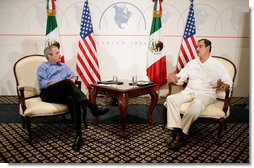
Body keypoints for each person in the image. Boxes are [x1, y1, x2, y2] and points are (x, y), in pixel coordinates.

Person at [37, 44, 109, 151]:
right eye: (57, 53)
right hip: (48, 93)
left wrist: (73, 79)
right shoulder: (43, 67)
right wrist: (61, 82)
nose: (60, 54)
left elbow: (74, 75)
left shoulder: (63, 66)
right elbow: (43, 84)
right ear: (49, 55)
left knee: (73, 99)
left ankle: (78, 136)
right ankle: (92, 107)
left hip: (63, 94)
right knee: (67, 82)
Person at [166, 39, 232, 150]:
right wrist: (175, 78)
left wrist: (224, 85)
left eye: (200, 46)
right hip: (190, 91)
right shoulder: (192, 63)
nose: (197, 49)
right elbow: (181, 77)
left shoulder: (217, 65)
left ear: (208, 48)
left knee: (196, 104)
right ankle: (178, 130)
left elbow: (228, 82)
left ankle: (181, 133)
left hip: (206, 94)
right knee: (171, 99)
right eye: (197, 46)